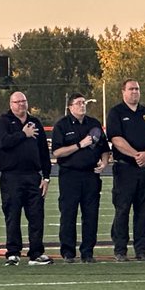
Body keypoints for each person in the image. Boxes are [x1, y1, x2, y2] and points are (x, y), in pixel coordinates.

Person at [106, 79, 145, 262]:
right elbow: (116, 139)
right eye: (131, 89)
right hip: (125, 168)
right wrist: (136, 155)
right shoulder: (116, 112)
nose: (135, 92)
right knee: (122, 209)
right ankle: (120, 250)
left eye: (137, 89)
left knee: (143, 210)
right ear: (123, 92)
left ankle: (141, 250)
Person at [0, 91, 52, 266]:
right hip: (12, 176)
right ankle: (13, 253)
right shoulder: (3, 121)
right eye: (17, 102)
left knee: (36, 215)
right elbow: (3, 142)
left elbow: (43, 151)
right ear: (10, 104)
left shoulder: (35, 122)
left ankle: (36, 253)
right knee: (12, 215)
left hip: (33, 176)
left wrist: (46, 177)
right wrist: (23, 133)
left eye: (23, 101)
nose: (21, 104)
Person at [51, 94, 109, 263]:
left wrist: (104, 163)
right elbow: (57, 152)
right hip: (70, 175)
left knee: (91, 214)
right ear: (70, 107)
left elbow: (104, 148)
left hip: (91, 175)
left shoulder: (94, 124)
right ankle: (68, 252)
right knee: (68, 214)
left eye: (84, 103)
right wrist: (79, 145)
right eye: (78, 103)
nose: (82, 105)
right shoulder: (62, 125)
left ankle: (88, 252)